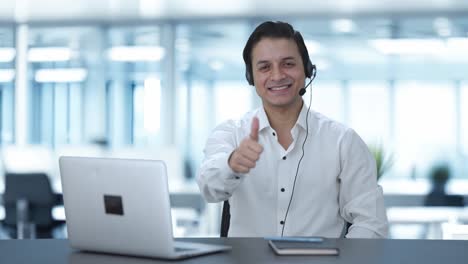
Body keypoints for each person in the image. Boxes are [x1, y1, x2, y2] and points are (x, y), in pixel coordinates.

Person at [197, 21, 388, 238]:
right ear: (251, 76)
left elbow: (371, 222)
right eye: (264, 67)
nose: (277, 75)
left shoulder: (343, 141)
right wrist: (231, 164)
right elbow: (208, 187)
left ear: (307, 70)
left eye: (288, 64)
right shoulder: (230, 133)